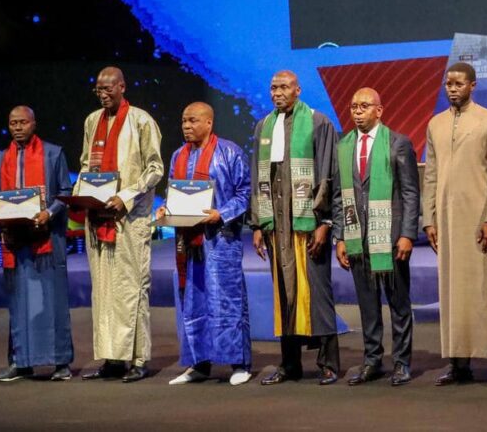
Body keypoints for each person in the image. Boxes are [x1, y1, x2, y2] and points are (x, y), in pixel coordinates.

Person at [423, 62, 487, 387]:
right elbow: (430, 176)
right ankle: (458, 362)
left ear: (472, 86)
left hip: (479, 222)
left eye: (458, 83)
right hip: (447, 224)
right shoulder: (435, 124)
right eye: (448, 84)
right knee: (452, 293)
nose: (452, 89)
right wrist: (429, 219)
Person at [250, 71, 342, 386]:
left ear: (298, 90)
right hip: (277, 227)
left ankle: (328, 363)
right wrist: (258, 223)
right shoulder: (264, 126)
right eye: (273, 88)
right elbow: (257, 177)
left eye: (284, 87)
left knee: (317, 293)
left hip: (308, 224)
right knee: (284, 295)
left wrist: (325, 222)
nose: (277, 93)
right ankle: (290, 364)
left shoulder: (318, 122)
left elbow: (330, 175)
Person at [78, 67, 163, 383]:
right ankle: (113, 358)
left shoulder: (141, 120)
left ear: (122, 87)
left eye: (108, 88)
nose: (102, 94)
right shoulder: (92, 121)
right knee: (104, 291)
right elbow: (86, 164)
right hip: (98, 218)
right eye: (98, 89)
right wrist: (81, 196)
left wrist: (125, 197)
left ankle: (139, 359)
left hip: (130, 218)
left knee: (132, 289)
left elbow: (155, 169)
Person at [158, 102, 252, 386]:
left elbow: (246, 192)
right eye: (183, 121)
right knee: (192, 302)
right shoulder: (178, 155)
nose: (186, 126)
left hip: (220, 242)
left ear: (209, 123)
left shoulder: (229, 152)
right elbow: (174, 192)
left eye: (193, 121)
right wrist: (165, 209)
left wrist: (220, 213)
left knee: (227, 301)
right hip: (188, 241)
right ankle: (199, 364)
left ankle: (240, 364)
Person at [334, 88, 419, 387]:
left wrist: (408, 234)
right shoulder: (343, 146)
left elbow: (410, 192)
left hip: (391, 238)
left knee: (398, 305)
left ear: (379, 111)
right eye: (353, 106)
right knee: (367, 306)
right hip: (357, 237)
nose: (357, 112)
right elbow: (338, 195)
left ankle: (401, 362)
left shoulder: (398, 143)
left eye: (364, 106)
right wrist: (340, 237)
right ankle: (372, 361)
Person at [0, 106, 73, 382]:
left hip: (47, 240)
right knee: (19, 303)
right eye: (13, 123)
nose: (17, 127)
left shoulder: (53, 154)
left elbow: (65, 192)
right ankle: (21, 362)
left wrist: (49, 213)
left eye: (23, 122)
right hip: (15, 241)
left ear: (34, 124)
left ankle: (61, 362)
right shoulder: (0, 160)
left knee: (53, 301)